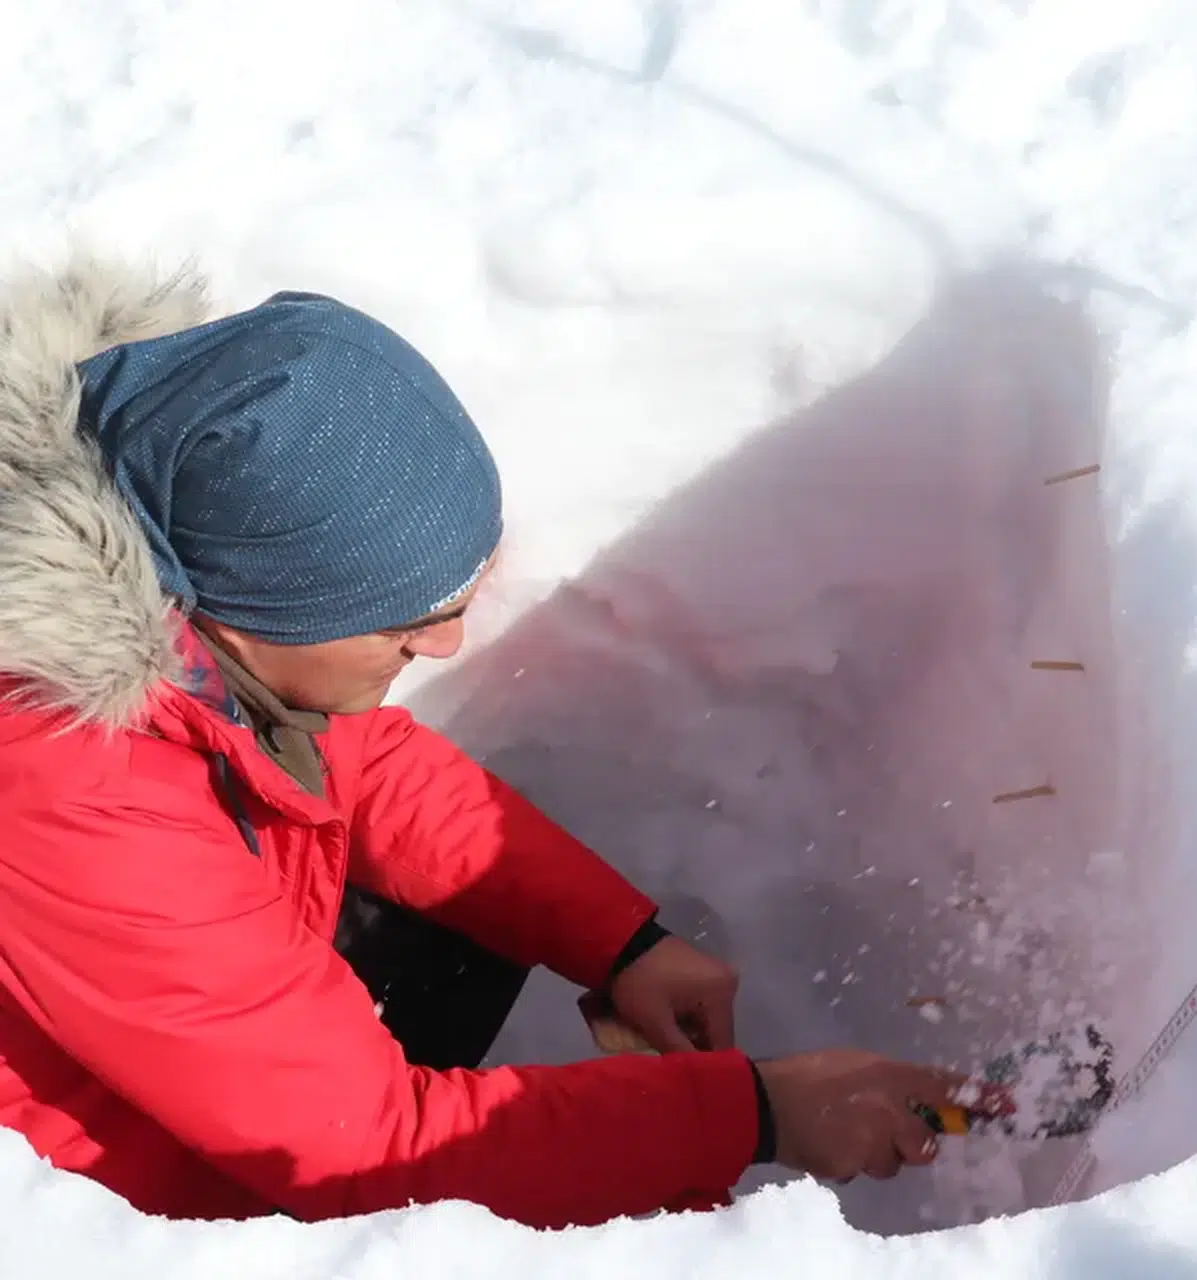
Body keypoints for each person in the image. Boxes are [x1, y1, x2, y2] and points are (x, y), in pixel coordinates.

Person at [0, 255, 1001, 1229]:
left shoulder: (189, 594)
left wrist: (619, 939)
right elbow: (355, 1150)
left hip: (171, 1022)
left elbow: (362, 764)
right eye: (404, 621)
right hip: (110, 1200)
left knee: (460, 923)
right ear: (251, 607)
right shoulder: (69, 780)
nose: (445, 643)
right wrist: (761, 1114)